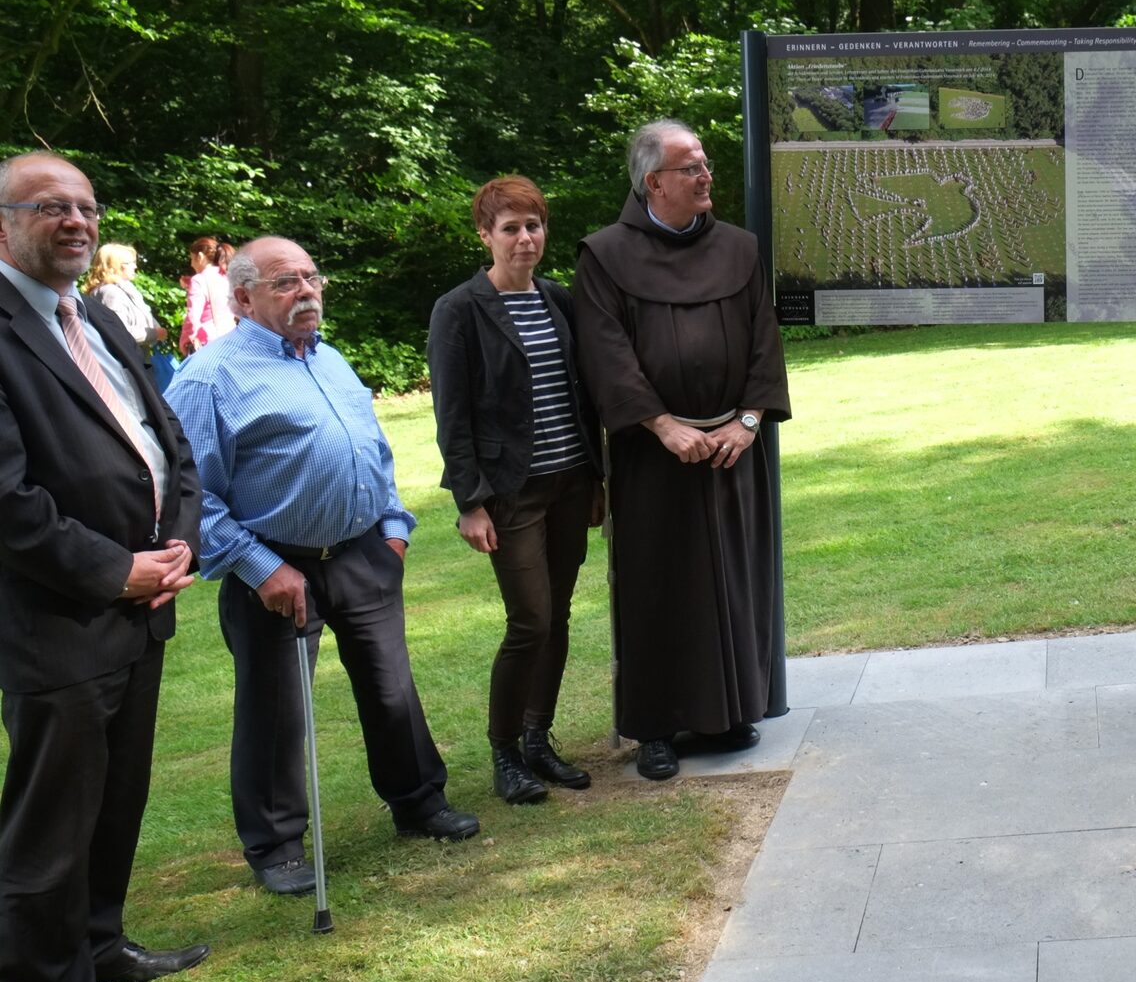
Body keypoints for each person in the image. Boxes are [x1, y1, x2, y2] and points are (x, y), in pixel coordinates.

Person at [167, 237, 478, 898]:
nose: (306, 291)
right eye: (286, 282)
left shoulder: (329, 358)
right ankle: (277, 846)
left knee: (391, 687)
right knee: (276, 711)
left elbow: (372, 450)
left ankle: (419, 801)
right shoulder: (208, 378)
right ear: (242, 298)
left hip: (362, 554)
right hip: (275, 569)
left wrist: (392, 530)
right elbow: (193, 496)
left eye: (311, 278)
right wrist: (260, 568)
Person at [0, 152, 208, 982]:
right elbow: (8, 502)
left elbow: (168, 441)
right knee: (49, 833)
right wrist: (117, 569)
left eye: (86, 207)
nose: (77, 222)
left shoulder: (96, 317)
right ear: (3, 224)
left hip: (140, 610)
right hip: (58, 623)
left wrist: (181, 538)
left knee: (117, 800)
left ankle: (99, 942)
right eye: (51, 206)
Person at [574, 119, 790, 782]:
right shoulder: (605, 256)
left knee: (733, 575)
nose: (705, 176)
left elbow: (764, 338)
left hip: (732, 448)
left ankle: (728, 711)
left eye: (704, 164)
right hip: (653, 454)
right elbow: (606, 353)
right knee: (659, 583)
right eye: (690, 167)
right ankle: (656, 728)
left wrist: (748, 422)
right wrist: (663, 425)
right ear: (653, 182)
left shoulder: (740, 248)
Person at [428, 176, 606, 803]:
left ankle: (537, 739)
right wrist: (470, 503)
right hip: (511, 494)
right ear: (486, 235)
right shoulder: (459, 309)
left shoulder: (558, 299)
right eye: (510, 228)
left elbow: (583, 395)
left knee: (557, 616)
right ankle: (504, 752)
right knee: (529, 619)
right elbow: (452, 415)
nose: (525, 239)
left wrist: (596, 478)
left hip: (570, 482)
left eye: (534, 226)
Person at [83, 243, 174, 394]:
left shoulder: (125, 290)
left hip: (137, 363)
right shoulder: (110, 293)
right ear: (116, 266)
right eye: (131, 263)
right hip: (126, 368)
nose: (135, 267)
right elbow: (118, 332)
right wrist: (154, 334)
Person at [178, 236, 234, 356]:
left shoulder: (199, 280)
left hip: (207, 346)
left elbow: (192, 318)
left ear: (200, 256)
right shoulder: (226, 276)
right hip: (230, 341)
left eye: (192, 259)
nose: (191, 264)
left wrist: (185, 342)